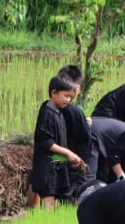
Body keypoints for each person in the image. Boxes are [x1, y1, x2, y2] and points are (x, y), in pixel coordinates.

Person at [29, 74, 84, 207]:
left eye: (70, 97)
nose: (68, 100)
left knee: (55, 197)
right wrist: (68, 153)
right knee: (49, 196)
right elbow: (45, 142)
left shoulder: (58, 112)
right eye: (66, 96)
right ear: (54, 92)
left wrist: (69, 157)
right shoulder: (47, 113)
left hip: (57, 164)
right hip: (47, 166)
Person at [57, 65, 93, 193]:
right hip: (72, 167)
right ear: (77, 87)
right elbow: (85, 140)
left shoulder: (48, 107)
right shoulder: (75, 112)